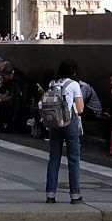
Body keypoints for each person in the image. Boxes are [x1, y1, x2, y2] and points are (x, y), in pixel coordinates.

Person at [41, 59, 86, 204]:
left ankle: (50, 194)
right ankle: (75, 195)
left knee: (54, 158)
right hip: (69, 122)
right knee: (73, 159)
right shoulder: (73, 85)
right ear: (73, 71)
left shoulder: (52, 84)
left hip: (54, 123)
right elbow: (80, 109)